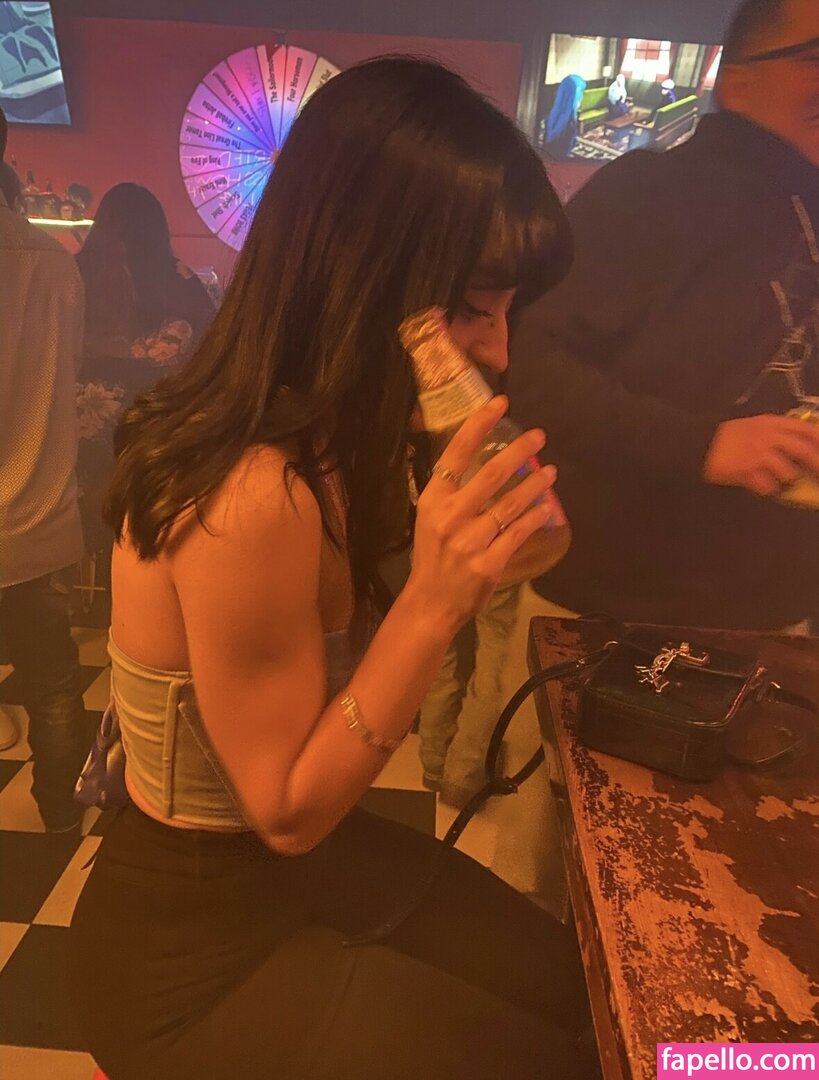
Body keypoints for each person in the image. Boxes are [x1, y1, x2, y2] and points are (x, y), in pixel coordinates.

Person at [68, 58, 596, 1080]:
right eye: (472, 309)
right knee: (558, 1065)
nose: (497, 350)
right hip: (192, 957)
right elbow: (286, 810)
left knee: (579, 988)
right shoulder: (251, 490)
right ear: (367, 285)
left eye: (506, 312)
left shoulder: (335, 446)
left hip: (301, 875)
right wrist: (435, 602)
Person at [507, 0, 819, 634]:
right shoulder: (647, 191)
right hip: (611, 615)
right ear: (739, 82)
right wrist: (701, 446)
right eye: (815, 60)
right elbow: (530, 367)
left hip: (778, 619)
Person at [0, 104, 91, 825]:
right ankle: (60, 808)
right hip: (36, 512)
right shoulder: (57, 267)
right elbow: (70, 372)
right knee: (53, 676)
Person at [74, 183, 214, 607]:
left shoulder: (75, 271)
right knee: (137, 514)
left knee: (85, 501)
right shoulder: (178, 278)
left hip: (76, 422)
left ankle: (83, 595)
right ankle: (131, 601)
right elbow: (210, 347)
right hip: (153, 426)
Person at [542, 73, 586, 160]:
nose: (581, 97)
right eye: (581, 93)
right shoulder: (569, 122)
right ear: (574, 95)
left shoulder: (552, 115)